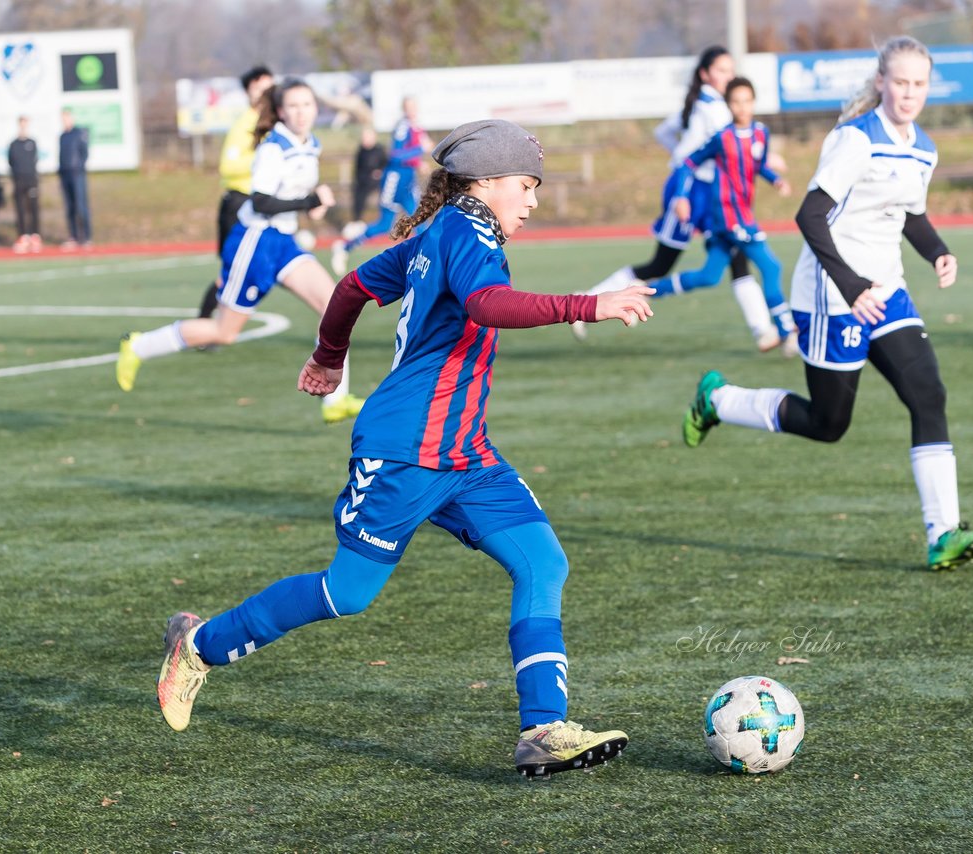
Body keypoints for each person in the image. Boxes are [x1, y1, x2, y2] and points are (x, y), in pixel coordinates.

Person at [154, 119, 656, 779]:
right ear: (488, 181)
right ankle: (199, 647)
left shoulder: (442, 232)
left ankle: (544, 729)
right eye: (526, 186)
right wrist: (586, 306)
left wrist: (330, 358)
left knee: (543, 562)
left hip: (465, 455)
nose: (532, 201)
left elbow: (353, 289)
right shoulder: (465, 229)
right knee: (348, 592)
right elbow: (487, 302)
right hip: (406, 451)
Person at [681, 36, 973, 572]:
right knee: (829, 423)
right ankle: (720, 401)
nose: (909, 93)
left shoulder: (923, 146)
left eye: (918, 84)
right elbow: (809, 216)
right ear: (881, 82)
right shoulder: (855, 140)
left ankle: (942, 533)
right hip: (832, 296)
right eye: (900, 82)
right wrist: (851, 287)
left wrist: (938, 252)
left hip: (887, 291)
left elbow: (911, 215)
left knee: (929, 396)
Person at [116, 79, 365, 424]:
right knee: (224, 332)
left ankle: (334, 401)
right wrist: (309, 201)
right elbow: (261, 200)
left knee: (335, 305)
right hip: (256, 243)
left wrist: (313, 203)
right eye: (293, 106)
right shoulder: (272, 147)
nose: (301, 112)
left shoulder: (311, 144)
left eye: (307, 105)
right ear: (280, 111)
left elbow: (295, 193)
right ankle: (139, 346)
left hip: (283, 244)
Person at [572, 46, 772, 346]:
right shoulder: (714, 108)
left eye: (731, 70)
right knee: (660, 265)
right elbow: (700, 151)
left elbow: (664, 133)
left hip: (711, 194)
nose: (728, 76)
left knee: (737, 257)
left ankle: (765, 331)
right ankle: (584, 303)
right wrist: (682, 179)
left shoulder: (703, 104)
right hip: (690, 194)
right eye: (721, 70)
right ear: (705, 74)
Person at [644, 78, 797, 352]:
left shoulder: (761, 132)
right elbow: (687, 164)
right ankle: (788, 333)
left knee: (709, 275)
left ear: (753, 102)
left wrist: (775, 180)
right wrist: (680, 197)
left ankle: (652, 291)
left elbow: (758, 163)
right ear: (728, 105)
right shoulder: (721, 138)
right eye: (736, 102)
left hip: (738, 215)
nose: (742, 107)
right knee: (772, 267)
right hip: (729, 217)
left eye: (747, 101)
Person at [195, 65, 274, 319]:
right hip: (238, 204)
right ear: (250, 92)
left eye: (270, 88)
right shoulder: (245, 124)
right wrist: (262, 161)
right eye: (260, 89)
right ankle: (204, 323)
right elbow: (227, 166)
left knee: (253, 269)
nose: (266, 93)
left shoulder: (269, 123)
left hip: (258, 205)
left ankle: (216, 325)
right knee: (230, 272)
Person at [330, 96, 432, 275]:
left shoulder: (416, 127)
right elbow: (396, 155)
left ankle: (432, 261)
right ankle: (345, 247)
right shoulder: (402, 127)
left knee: (419, 219)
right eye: (409, 107)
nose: (412, 110)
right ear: (404, 109)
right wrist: (419, 150)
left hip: (408, 180)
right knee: (386, 225)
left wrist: (418, 163)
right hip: (394, 181)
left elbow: (410, 157)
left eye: (414, 106)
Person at [9, 115, 42, 253]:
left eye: (25, 124)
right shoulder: (13, 144)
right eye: (21, 124)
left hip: (31, 180)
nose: (23, 127)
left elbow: (34, 160)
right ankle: (23, 236)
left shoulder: (32, 143)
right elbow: (11, 161)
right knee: (20, 209)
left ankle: (35, 237)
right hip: (19, 181)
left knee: (33, 208)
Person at [58, 108, 90, 249]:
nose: (65, 121)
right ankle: (74, 236)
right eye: (63, 118)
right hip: (65, 174)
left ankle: (87, 237)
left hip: (77, 174)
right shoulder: (62, 136)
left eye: (67, 117)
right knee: (69, 207)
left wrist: (79, 168)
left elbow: (84, 153)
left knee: (81, 206)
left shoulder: (79, 133)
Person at [351, 124, 388, 222]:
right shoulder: (361, 151)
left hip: (377, 180)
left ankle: (384, 219)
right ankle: (357, 221)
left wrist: (380, 172)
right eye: (363, 137)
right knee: (358, 196)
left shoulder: (379, 150)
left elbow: (386, 164)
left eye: (367, 137)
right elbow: (358, 168)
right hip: (363, 181)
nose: (364, 139)